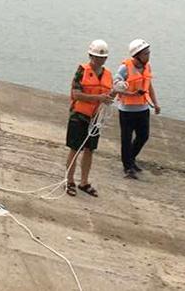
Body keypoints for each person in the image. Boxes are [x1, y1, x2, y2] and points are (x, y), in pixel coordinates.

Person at [65, 40, 114, 197]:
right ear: (90, 56)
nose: (99, 60)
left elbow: (109, 95)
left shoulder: (108, 75)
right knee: (75, 149)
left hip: (95, 119)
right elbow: (76, 94)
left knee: (89, 150)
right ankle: (69, 180)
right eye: (96, 57)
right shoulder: (82, 71)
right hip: (79, 116)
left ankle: (84, 182)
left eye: (102, 57)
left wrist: (115, 94)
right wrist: (97, 98)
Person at [114, 38, 161, 179]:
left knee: (143, 136)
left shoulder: (147, 67)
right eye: (146, 54)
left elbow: (149, 86)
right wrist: (131, 93)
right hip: (127, 110)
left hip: (143, 109)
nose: (148, 56)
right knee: (126, 139)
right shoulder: (124, 68)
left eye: (148, 53)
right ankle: (128, 166)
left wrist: (156, 103)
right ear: (137, 55)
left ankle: (130, 158)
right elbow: (116, 86)